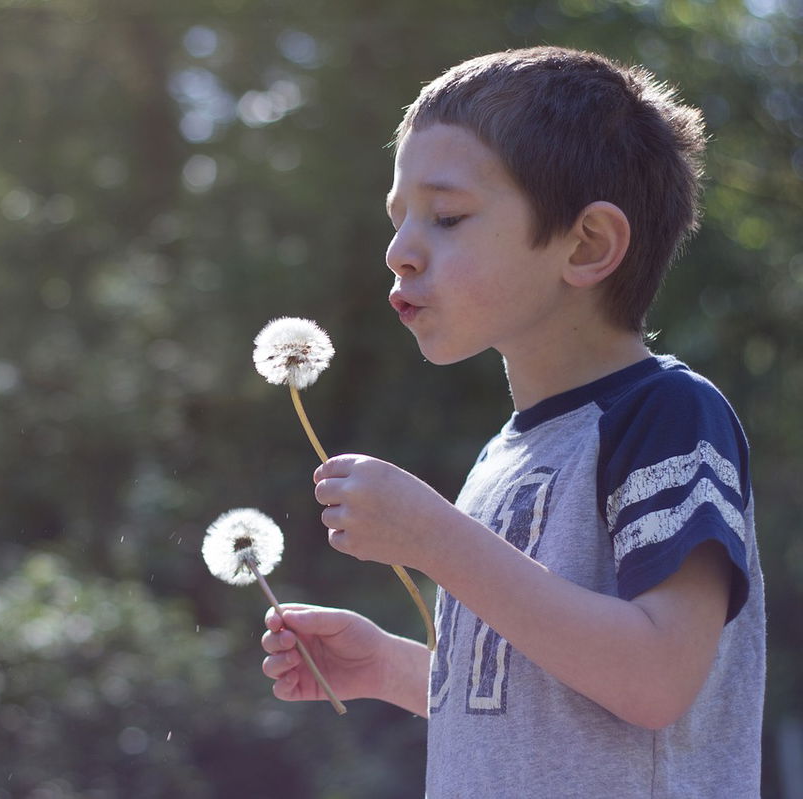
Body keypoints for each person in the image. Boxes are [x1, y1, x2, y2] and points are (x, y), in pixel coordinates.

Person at [260, 46, 764, 797]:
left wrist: (436, 539)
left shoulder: (666, 416)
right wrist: (393, 668)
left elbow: (656, 678)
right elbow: (540, 696)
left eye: (447, 215)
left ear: (587, 245)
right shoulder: (504, 455)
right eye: (397, 221)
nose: (398, 252)